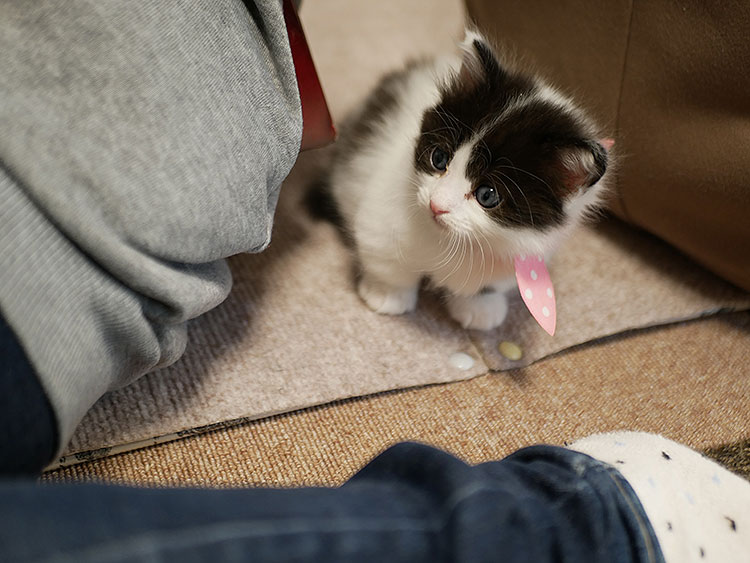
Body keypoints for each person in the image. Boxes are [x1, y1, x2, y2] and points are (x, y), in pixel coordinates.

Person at [1, 2, 748, 562]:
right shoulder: (430, 185)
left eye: (485, 195)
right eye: (443, 160)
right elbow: (386, 228)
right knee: (391, 254)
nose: (441, 196)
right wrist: (393, 272)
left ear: (563, 198)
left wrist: (483, 282)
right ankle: (594, 525)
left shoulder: (544, 198)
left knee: (474, 283)